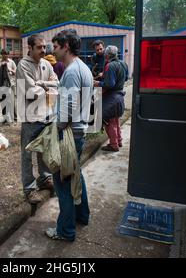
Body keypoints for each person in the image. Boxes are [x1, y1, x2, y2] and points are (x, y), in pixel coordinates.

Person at [45, 29, 93, 242]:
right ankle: (82, 216)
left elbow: (70, 105)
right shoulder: (83, 68)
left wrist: (57, 126)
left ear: (66, 46)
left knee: (63, 182)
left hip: (69, 134)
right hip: (78, 131)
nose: (52, 50)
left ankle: (65, 231)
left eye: (55, 46)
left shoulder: (72, 71)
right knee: (75, 175)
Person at [17, 34, 59, 204]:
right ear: (30, 48)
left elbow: (57, 83)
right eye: (39, 47)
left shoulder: (46, 64)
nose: (43, 50)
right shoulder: (23, 65)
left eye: (44, 47)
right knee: (27, 154)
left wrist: (40, 84)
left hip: (46, 115)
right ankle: (29, 188)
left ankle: (44, 179)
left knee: (44, 150)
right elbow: (31, 93)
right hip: (30, 117)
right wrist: (46, 86)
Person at [94, 45, 129, 152]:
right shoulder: (123, 63)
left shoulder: (110, 65)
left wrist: (97, 83)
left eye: (105, 53)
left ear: (108, 55)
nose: (103, 54)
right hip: (120, 96)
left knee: (109, 121)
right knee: (116, 120)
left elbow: (109, 84)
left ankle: (113, 145)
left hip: (112, 98)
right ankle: (119, 140)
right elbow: (126, 78)